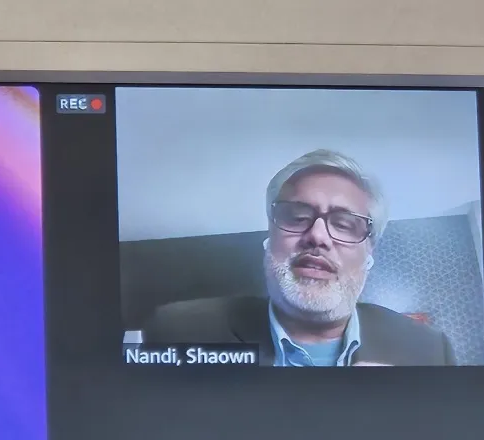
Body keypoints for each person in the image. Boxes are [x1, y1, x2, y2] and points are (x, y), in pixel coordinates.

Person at [142, 149, 456, 367]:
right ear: (270, 236)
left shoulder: (429, 351)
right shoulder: (178, 330)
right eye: (296, 216)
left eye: (344, 224)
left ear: (369, 252)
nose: (318, 236)